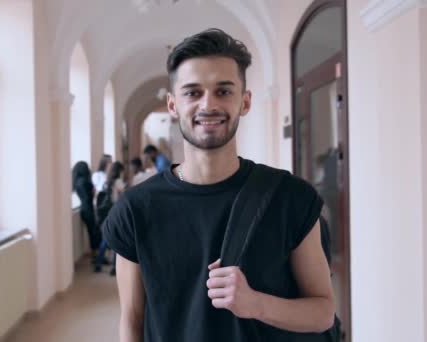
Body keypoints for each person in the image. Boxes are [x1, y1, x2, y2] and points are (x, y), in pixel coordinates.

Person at [103, 28, 335, 341]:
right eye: (192, 92)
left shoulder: (291, 197)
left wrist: (256, 304)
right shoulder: (134, 209)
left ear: (245, 102)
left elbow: (322, 313)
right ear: (173, 105)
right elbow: (132, 322)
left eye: (223, 91)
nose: (208, 105)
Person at [94, 161, 126, 274]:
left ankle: (98, 263)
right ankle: (114, 267)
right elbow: (125, 195)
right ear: (119, 171)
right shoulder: (118, 182)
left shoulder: (105, 182)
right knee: (117, 239)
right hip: (115, 213)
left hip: (104, 214)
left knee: (105, 239)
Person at [71, 161, 101, 253]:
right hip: (88, 209)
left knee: (92, 232)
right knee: (94, 233)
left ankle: (96, 254)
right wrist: (93, 192)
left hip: (85, 208)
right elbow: (88, 197)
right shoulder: (83, 181)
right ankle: (97, 255)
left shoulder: (77, 181)